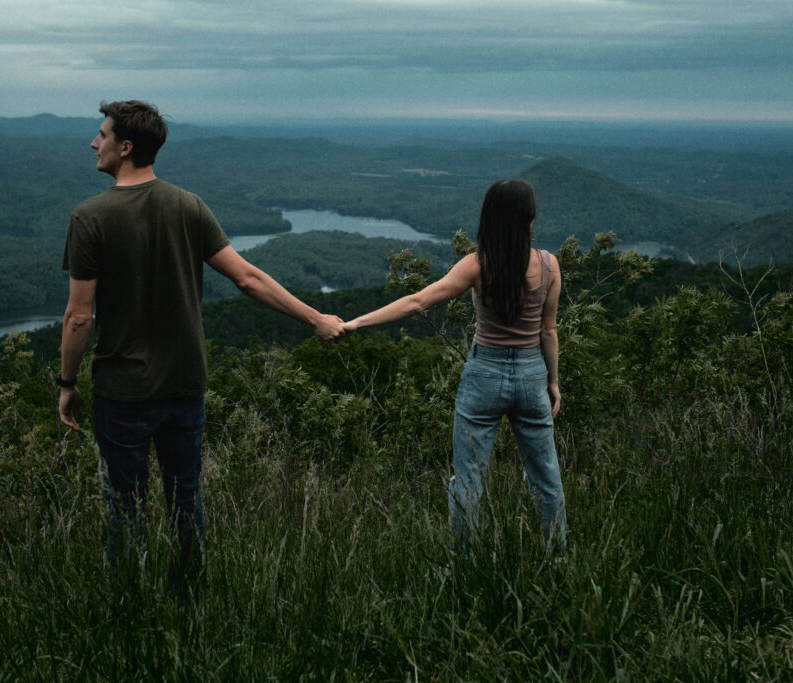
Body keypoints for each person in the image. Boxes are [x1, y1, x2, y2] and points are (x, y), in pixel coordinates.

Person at [58, 100, 345, 599]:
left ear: (125, 148)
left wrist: (66, 383)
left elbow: (80, 315)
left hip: (122, 391)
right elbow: (248, 278)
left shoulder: (90, 217)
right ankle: (189, 605)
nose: (93, 142)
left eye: (101, 134)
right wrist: (316, 318)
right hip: (185, 385)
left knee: (126, 506)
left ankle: (131, 611)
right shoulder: (189, 206)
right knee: (184, 500)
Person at [343, 179, 566, 551]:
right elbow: (549, 329)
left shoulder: (477, 264)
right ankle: (557, 557)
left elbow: (418, 301)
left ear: (489, 218)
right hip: (532, 375)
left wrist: (355, 323)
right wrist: (553, 381)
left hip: (484, 376)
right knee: (547, 479)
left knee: (468, 480)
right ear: (529, 218)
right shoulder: (548, 264)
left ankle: (466, 567)